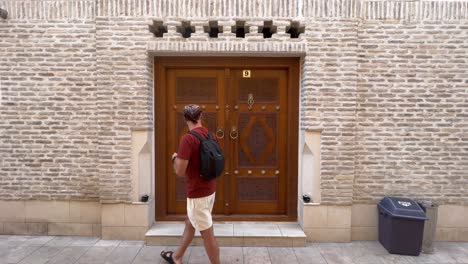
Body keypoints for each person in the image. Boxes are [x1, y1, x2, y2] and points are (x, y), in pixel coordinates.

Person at [160, 104, 220, 264]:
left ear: (186, 119)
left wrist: (174, 158)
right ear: (200, 117)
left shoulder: (188, 138)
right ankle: (177, 256)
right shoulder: (211, 135)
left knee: (208, 234)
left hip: (197, 193)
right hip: (210, 189)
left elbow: (179, 171)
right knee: (190, 221)